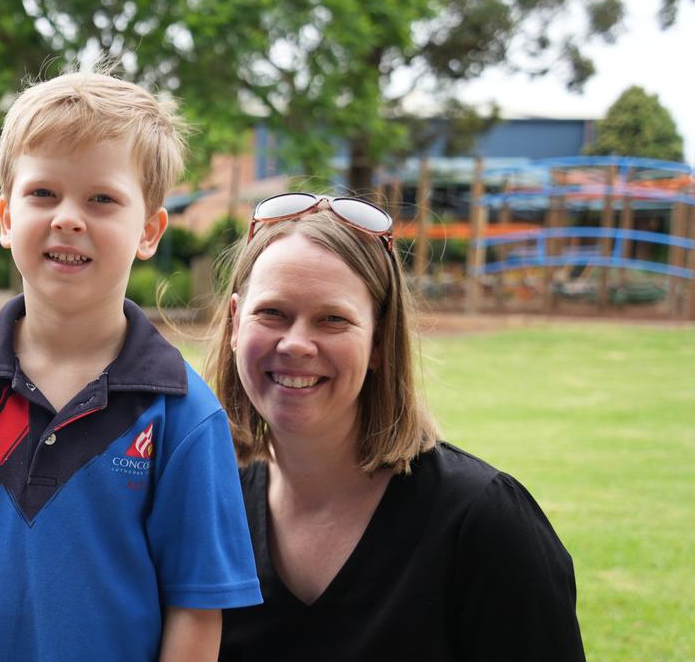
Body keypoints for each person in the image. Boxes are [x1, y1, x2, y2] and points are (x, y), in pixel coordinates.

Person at [0, 70, 262, 662]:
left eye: (102, 199)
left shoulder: (184, 414)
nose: (68, 218)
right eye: (43, 194)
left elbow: (195, 609)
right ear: (6, 218)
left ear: (150, 230)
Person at [207, 192, 586, 660]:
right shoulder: (208, 511)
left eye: (332, 319)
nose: (296, 344)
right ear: (233, 323)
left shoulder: (484, 524)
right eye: (272, 313)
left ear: (381, 342)